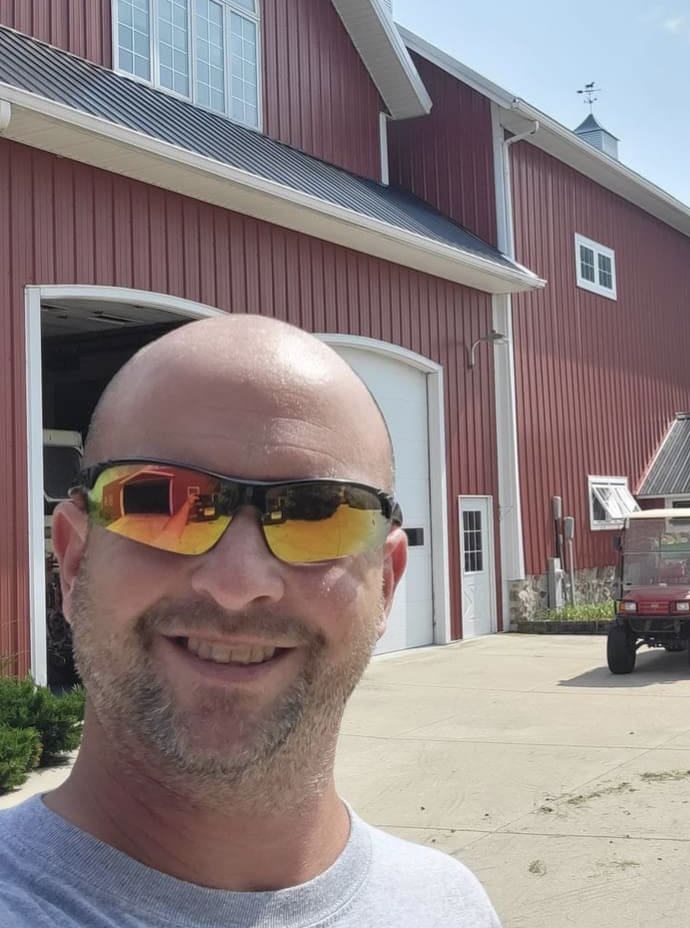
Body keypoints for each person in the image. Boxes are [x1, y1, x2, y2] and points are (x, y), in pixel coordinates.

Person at [0, 316, 502, 927]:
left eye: (318, 513)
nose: (237, 585)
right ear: (75, 561)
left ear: (386, 583)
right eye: (163, 500)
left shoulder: (449, 907)